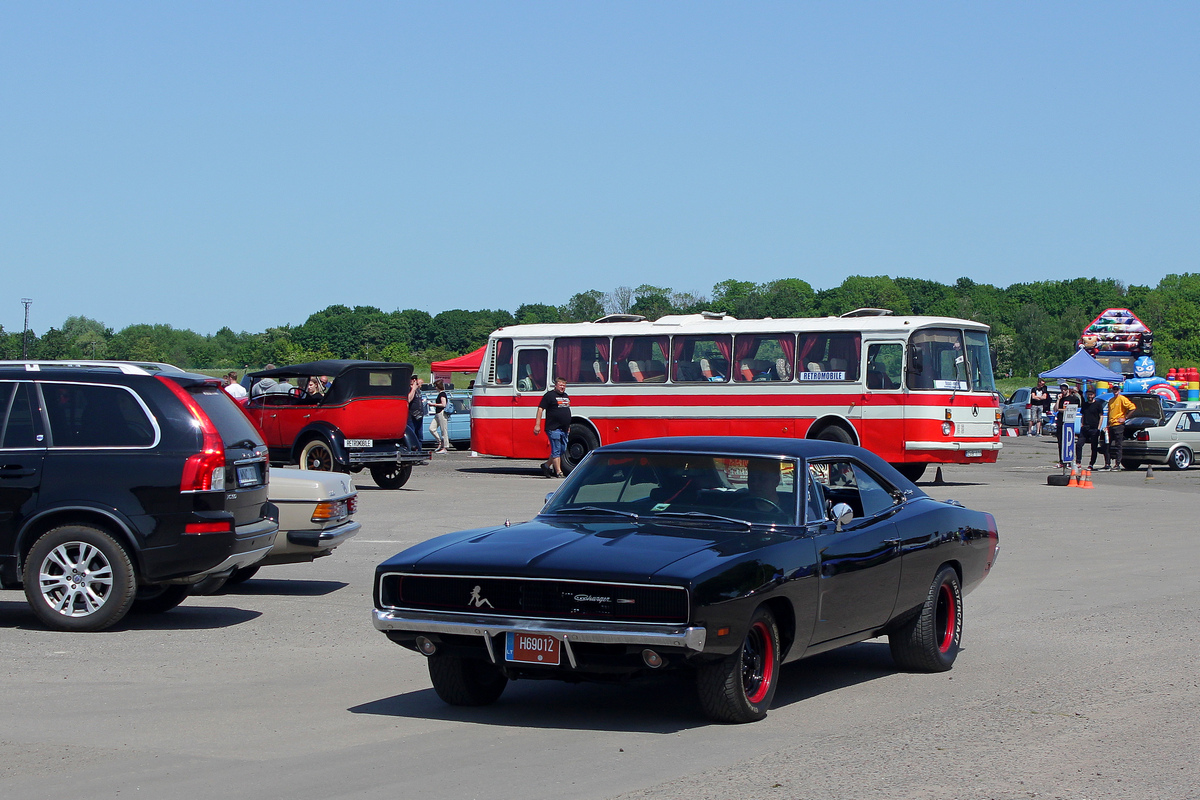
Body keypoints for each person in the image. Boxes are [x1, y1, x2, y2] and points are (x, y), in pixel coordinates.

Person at [533, 377, 570, 478]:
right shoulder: (549, 396)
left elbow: (566, 412)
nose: (562, 387)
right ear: (556, 385)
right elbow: (540, 409)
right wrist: (537, 425)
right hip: (553, 428)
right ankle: (559, 472)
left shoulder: (566, 396)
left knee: (562, 449)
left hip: (564, 429)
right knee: (556, 450)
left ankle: (546, 465)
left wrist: (568, 426)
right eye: (560, 385)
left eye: (564, 385)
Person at [1106, 383, 1137, 470]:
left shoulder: (1122, 399)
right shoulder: (1111, 400)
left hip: (1118, 425)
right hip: (1111, 425)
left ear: (1119, 390)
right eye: (1114, 389)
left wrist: (1125, 418)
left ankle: (1117, 464)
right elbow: (1109, 413)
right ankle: (1107, 463)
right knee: (1107, 445)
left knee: (1118, 445)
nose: (1115, 391)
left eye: (1117, 389)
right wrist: (1107, 425)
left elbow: (1133, 408)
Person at [1079, 387, 1109, 470]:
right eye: (1088, 394)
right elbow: (1083, 415)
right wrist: (1082, 424)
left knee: (1094, 447)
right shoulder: (1085, 404)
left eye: (1091, 394)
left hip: (1094, 428)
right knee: (1079, 444)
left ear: (1094, 395)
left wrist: (1098, 428)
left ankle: (1091, 464)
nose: (1090, 396)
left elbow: (1101, 416)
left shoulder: (1098, 404)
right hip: (1085, 427)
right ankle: (1078, 462)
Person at [1055, 383, 1081, 466]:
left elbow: (1072, 409)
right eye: (1062, 389)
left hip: (1069, 422)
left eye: (1065, 389)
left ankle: (1069, 459)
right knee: (1060, 442)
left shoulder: (1073, 398)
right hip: (1060, 422)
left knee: (1069, 441)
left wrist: (1061, 409)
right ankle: (1061, 460)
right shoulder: (1061, 399)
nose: (1063, 391)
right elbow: (1055, 409)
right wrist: (1058, 400)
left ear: (1068, 390)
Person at [429, 380, 450, 454]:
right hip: (437, 413)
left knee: (443, 430)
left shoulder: (442, 394)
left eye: (435, 386)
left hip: (442, 413)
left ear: (438, 387)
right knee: (432, 428)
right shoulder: (440, 394)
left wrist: (434, 404)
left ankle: (445, 447)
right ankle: (440, 442)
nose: (435, 388)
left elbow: (443, 404)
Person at [406, 374, 425, 447]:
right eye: (412, 379)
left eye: (415, 379)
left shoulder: (418, 390)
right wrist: (413, 389)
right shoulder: (408, 389)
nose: (414, 380)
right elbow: (408, 400)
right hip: (411, 416)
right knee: (412, 434)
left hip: (419, 415)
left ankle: (419, 449)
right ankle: (411, 449)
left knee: (419, 436)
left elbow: (422, 381)